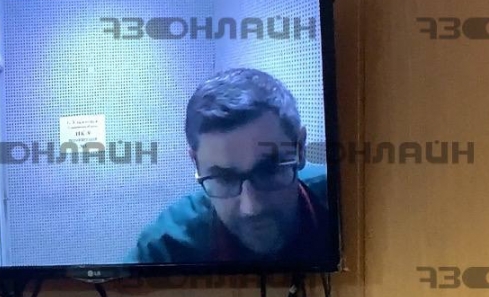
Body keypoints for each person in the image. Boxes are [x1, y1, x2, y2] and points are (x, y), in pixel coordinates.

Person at [126, 68, 337, 267]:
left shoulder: (345, 203)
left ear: (300, 149)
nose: (252, 209)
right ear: (196, 163)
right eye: (224, 179)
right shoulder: (165, 246)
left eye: (269, 171)